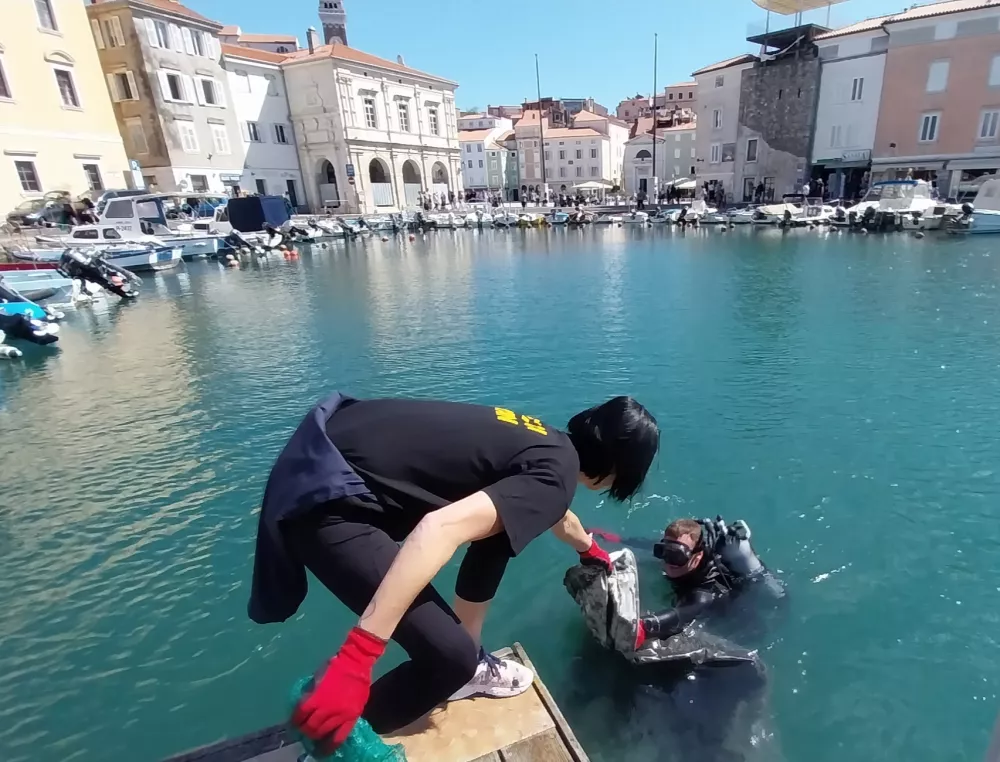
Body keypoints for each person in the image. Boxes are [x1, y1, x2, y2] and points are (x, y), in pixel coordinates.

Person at [249, 393, 659, 752]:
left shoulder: (546, 443)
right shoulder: (553, 480)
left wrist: (590, 550)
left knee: (469, 628)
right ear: (620, 470)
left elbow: (542, 518)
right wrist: (358, 656)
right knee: (450, 661)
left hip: (326, 441)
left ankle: (464, 665)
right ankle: (333, 737)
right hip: (331, 496)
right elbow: (438, 529)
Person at [596, 517, 783, 645]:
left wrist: (642, 627)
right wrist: (616, 538)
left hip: (741, 625)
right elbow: (648, 544)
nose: (668, 561)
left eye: (677, 555)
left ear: (697, 555)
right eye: (664, 551)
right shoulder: (680, 553)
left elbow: (683, 613)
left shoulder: (706, 592)